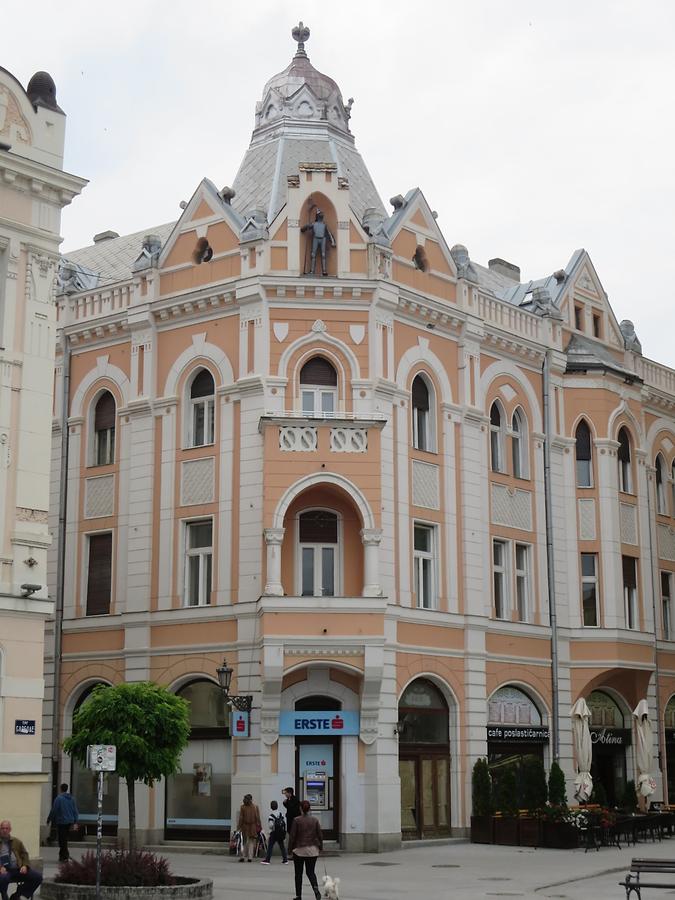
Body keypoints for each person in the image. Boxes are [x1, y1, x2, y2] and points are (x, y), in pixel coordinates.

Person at [288, 799, 323, 900]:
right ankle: (316, 890)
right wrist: (320, 847)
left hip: (299, 850)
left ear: (300, 809)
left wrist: (290, 850)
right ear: (309, 809)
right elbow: (320, 835)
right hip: (312, 850)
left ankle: (298, 896)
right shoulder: (315, 820)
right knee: (311, 872)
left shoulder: (296, 820)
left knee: (298, 874)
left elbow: (292, 836)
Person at [0, 820, 42, 899]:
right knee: (2, 878)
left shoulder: (16, 841)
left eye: (6, 828)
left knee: (37, 877)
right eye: (2, 828)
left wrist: (25, 866)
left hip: (17, 868)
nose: (4, 830)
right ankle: (4, 896)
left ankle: (18, 894)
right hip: (4, 870)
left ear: (10, 829)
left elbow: (24, 854)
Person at [47, 782, 79, 861]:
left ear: (61, 789)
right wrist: (75, 821)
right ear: (67, 789)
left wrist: (49, 819)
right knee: (64, 839)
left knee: (62, 839)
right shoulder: (72, 798)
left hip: (61, 822)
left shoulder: (59, 798)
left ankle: (65, 855)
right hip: (70, 822)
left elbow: (54, 810)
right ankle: (62, 856)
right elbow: (75, 810)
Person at [260, 799, 288, 865]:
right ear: (277, 806)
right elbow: (284, 823)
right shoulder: (281, 814)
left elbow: (271, 825)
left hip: (274, 833)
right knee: (282, 846)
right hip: (280, 832)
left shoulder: (271, 815)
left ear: (271, 807)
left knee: (270, 846)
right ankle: (285, 859)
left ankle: (267, 860)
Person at [236, 794, 261, 862]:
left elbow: (241, 818)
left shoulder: (243, 807)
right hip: (252, 826)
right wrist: (259, 826)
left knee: (243, 842)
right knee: (251, 842)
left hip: (245, 826)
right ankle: (250, 857)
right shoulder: (255, 807)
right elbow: (258, 818)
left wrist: (238, 827)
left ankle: (243, 856)